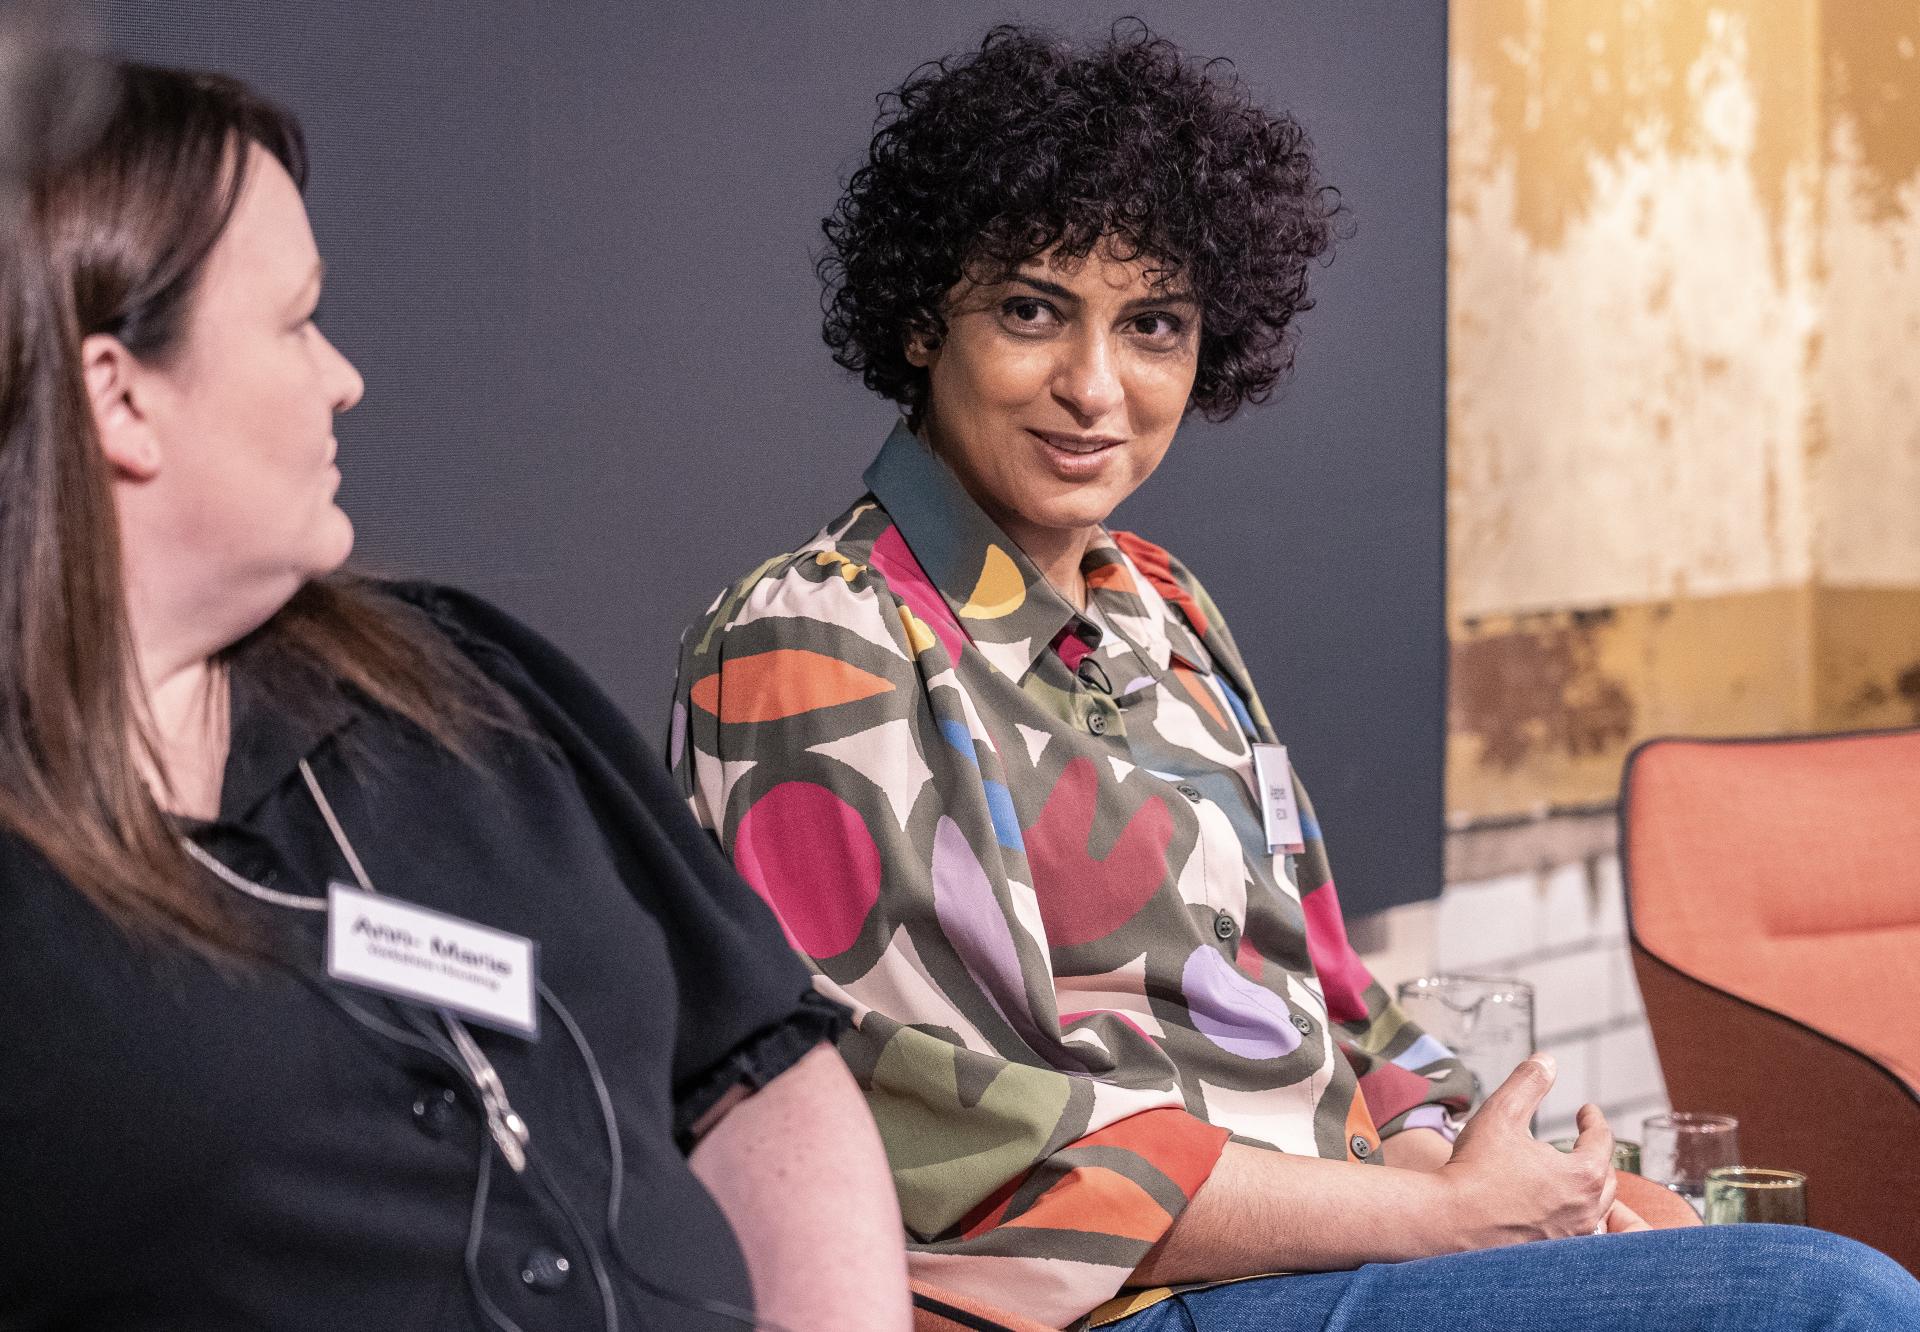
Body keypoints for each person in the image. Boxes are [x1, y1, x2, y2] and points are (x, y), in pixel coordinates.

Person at [669, 24, 1920, 1331]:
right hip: (1114, 1308)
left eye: (1152, 325)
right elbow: (941, 1136)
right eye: (1033, 311)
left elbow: (1332, 1000)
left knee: (1714, 1247)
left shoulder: (1168, 609)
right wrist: (1444, 1223)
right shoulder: (813, 639)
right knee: (1829, 1301)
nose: (1096, 388)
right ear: (927, 322)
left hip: (1346, 1248)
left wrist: (1525, 1188)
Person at [0, 61, 911, 1332]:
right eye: (294, 321)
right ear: (121, 396)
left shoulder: (462, 686)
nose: (343, 378)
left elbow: (759, 1066)